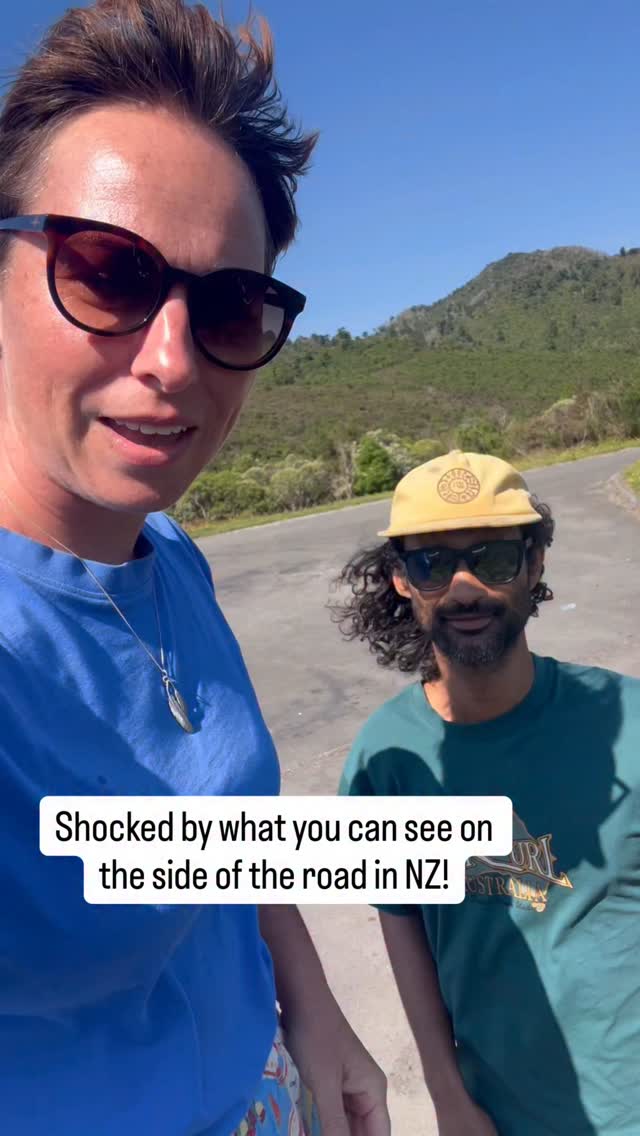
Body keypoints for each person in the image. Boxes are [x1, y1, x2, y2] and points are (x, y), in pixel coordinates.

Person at [0, 2, 389, 1134]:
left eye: (227, 304)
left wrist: (314, 1010)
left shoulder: (168, 556)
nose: (172, 361)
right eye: (107, 273)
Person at [335, 449, 640, 1136]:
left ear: (535, 564)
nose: (465, 587)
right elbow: (404, 931)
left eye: (494, 558)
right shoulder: (387, 762)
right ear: (401, 580)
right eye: (432, 564)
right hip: (498, 1116)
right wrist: (447, 1097)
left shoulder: (629, 722)